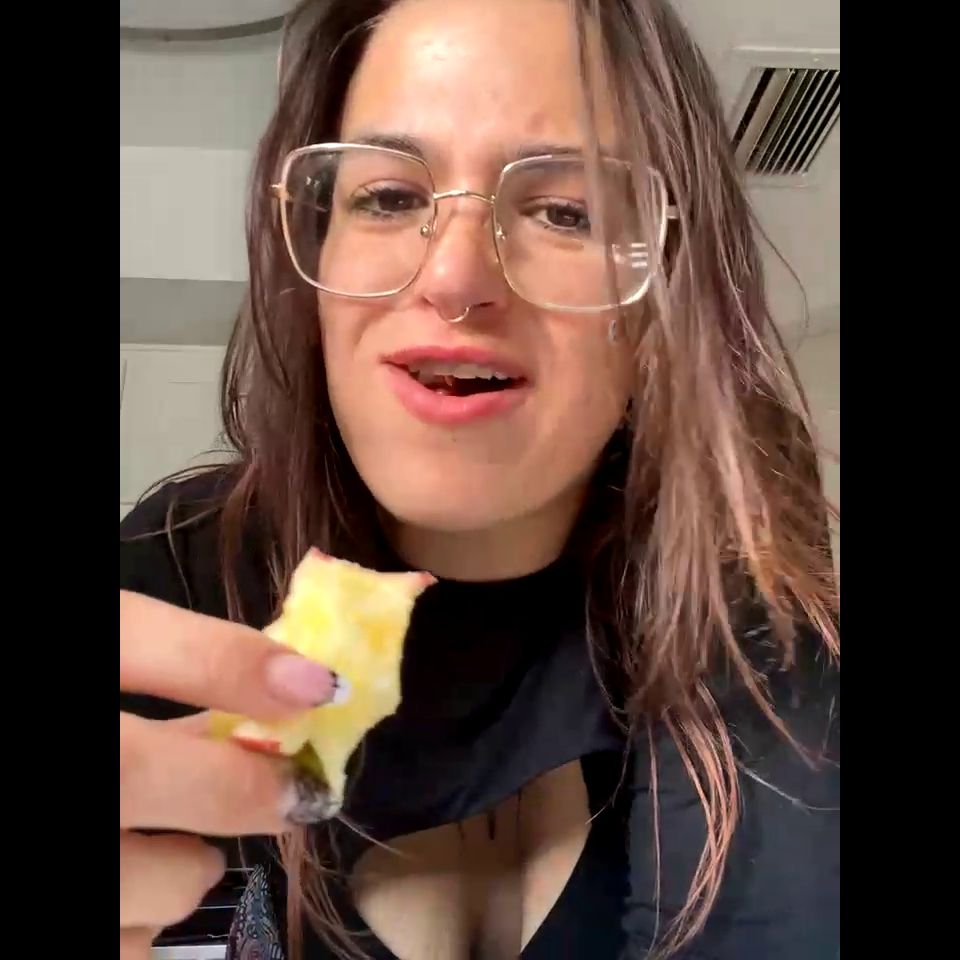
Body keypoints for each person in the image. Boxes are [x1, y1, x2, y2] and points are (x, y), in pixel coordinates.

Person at [119, 0, 840, 957]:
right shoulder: (169, 574)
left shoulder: (755, 629)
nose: (454, 276)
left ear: (662, 302)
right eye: (389, 198)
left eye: (565, 212)